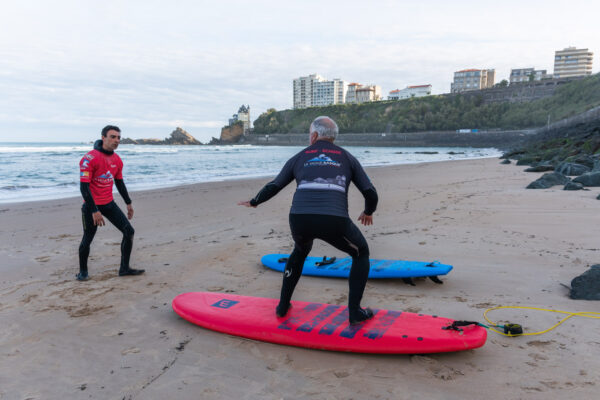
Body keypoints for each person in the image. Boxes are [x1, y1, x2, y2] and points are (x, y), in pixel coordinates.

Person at [239, 116, 378, 325]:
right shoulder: (347, 157)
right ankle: (355, 312)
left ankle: (282, 307)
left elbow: (274, 185)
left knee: (300, 251)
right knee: (361, 253)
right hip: (333, 220)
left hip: (299, 219)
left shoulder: (300, 156)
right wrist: (368, 211)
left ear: (313, 136)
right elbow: (370, 192)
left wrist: (255, 201)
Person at [77, 125, 145, 281]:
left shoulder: (117, 160)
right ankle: (83, 272)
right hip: (91, 206)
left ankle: (124, 268)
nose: (117, 140)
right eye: (113, 137)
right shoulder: (89, 159)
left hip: (109, 204)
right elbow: (84, 188)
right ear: (103, 137)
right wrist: (94, 211)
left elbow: (120, 183)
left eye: (119, 137)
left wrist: (128, 203)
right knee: (87, 239)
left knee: (129, 231)